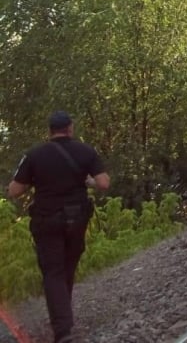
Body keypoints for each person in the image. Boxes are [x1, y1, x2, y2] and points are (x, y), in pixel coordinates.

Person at [7, 111, 110, 343]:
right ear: (70, 128)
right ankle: (64, 320)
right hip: (77, 218)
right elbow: (103, 182)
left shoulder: (34, 155)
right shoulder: (86, 151)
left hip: (47, 220)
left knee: (53, 272)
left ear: (50, 131)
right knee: (67, 267)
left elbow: (14, 190)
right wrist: (89, 181)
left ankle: (63, 331)